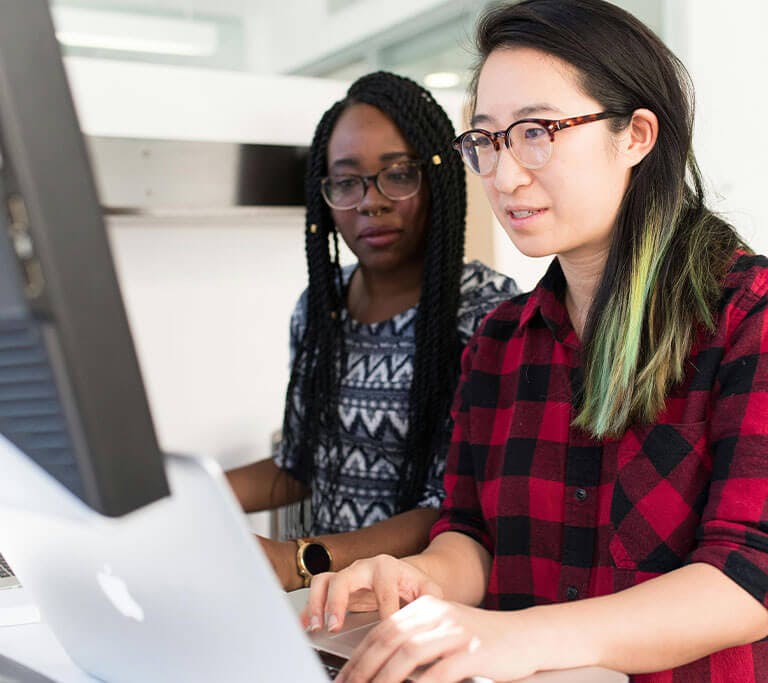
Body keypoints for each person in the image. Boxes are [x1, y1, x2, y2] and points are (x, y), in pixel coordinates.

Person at [302, 1, 768, 681]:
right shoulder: (499, 339)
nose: (505, 175)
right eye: (487, 141)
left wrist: (514, 636)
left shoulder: (746, 315)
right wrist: (414, 578)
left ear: (636, 135)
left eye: (537, 132)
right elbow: (472, 535)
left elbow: (747, 575)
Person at [226, 72, 518, 592]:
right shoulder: (320, 309)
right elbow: (300, 463)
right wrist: (184, 497)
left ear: (437, 179)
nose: (371, 201)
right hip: (328, 607)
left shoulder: (486, 313)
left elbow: (455, 507)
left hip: (428, 607)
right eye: (346, 181)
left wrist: (299, 560)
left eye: (398, 174)